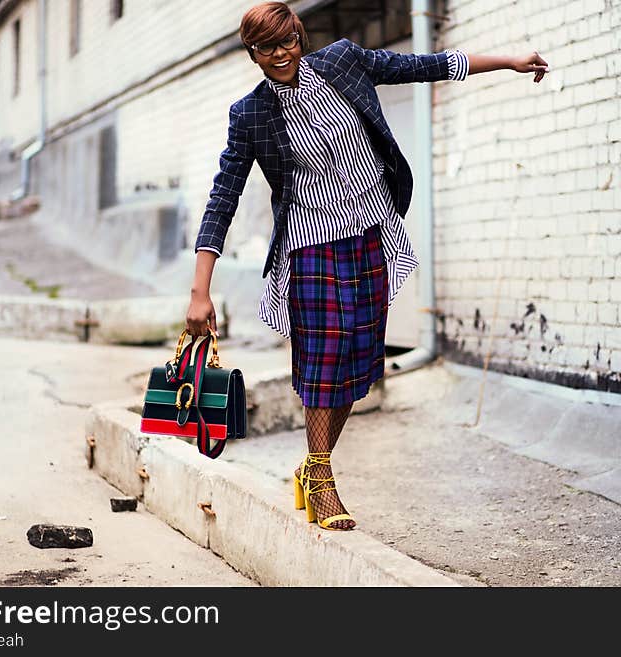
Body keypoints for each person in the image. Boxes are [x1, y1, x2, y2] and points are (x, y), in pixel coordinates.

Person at [186, 1, 548, 530]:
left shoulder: (344, 61)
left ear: (298, 34)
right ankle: (324, 478)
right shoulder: (250, 114)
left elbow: (426, 66)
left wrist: (510, 61)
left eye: (286, 40)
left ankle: (311, 467)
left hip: (370, 238)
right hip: (309, 249)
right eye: (266, 48)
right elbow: (224, 198)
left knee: (358, 364)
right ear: (253, 54)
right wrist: (200, 290)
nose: (280, 54)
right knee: (323, 361)